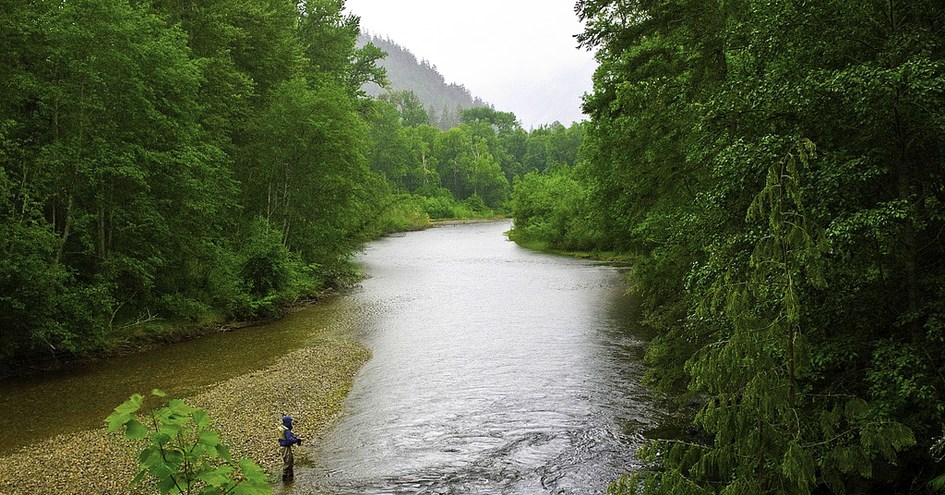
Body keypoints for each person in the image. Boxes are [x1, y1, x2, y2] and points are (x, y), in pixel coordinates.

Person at [278, 415, 303, 482]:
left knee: (289, 461)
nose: (291, 423)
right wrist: (297, 440)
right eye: (290, 422)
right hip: (285, 448)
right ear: (288, 422)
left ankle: (289, 478)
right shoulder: (286, 431)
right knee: (288, 462)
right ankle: (286, 479)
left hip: (283, 447)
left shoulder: (282, 428)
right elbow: (289, 440)